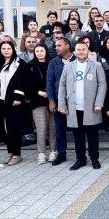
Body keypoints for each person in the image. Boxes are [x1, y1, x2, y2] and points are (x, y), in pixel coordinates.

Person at [58, 41, 107, 170]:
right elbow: (62, 85)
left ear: (88, 51)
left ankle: (94, 158)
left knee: (92, 136)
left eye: (83, 49)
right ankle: (80, 159)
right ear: (74, 51)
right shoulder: (69, 66)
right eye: (78, 50)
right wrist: (62, 104)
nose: (81, 52)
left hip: (91, 108)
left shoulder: (96, 65)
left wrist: (99, 103)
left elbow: (102, 84)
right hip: (74, 108)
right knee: (78, 136)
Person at [0, 41, 29, 166]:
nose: (6, 50)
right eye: (4, 48)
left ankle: (17, 154)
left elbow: (23, 81)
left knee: (14, 128)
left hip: (14, 101)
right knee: (4, 128)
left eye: (9, 48)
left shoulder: (20, 64)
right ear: (0, 50)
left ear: (13, 50)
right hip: (1, 101)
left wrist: (18, 97)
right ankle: (10, 152)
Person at [24, 43, 56, 165]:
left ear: (46, 51)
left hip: (52, 99)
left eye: (41, 51)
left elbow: (57, 80)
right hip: (37, 100)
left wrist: (50, 93)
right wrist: (39, 92)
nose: (39, 53)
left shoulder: (52, 64)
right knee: (41, 128)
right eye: (37, 51)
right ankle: (41, 153)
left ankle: (53, 151)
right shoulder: (29, 66)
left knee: (53, 128)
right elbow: (26, 85)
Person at [46, 37, 75, 166]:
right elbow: (49, 83)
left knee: (77, 129)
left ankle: (80, 154)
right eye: (55, 45)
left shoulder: (77, 60)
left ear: (67, 46)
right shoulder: (53, 62)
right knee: (60, 129)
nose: (56, 48)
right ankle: (61, 153)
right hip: (59, 101)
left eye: (59, 45)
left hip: (75, 101)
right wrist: (51, 100)